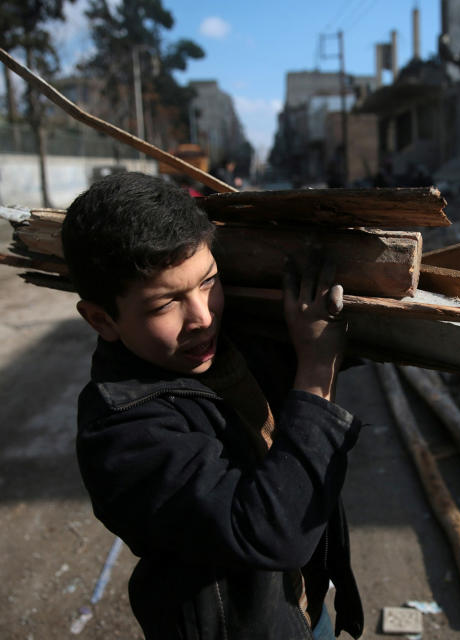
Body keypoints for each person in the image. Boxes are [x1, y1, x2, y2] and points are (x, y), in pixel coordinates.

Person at [61, 172, 364, 639]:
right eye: (165, 305)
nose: (202, 318)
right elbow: (268, 533)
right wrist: (316, 373)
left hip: (302, 611)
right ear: (102, 319)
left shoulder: (234, 342)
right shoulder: (120, 432)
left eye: (208, 282)